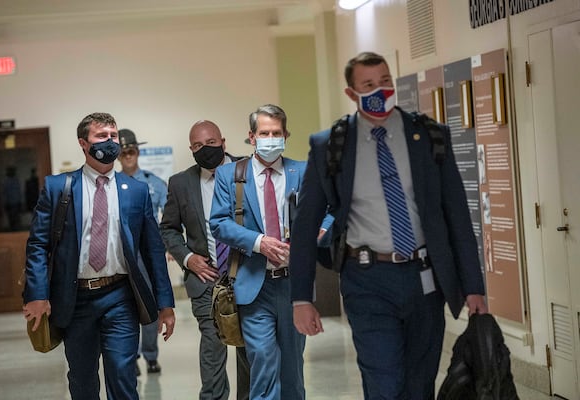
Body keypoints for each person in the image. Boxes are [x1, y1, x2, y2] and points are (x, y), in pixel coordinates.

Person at [288, 52, 487, 399]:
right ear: (352, 93)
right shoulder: (330, 145)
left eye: (385, 81)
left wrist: (473, 285)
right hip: (366, 280)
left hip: (424, 279)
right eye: (368, 85)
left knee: (418, 384)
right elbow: (305, 227)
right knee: (384, 382)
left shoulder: (428, 136)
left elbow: (456, 215)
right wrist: (301, 298)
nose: (380, 90)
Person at [22, 112, 175, 400]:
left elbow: (153, 251)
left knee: (122, 373)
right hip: (75, 299)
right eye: (101, 136)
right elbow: (38, 245)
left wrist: (165, 303)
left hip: (120, 297)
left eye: (113, 136)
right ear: (83, 143)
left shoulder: (137, 191)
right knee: (82, 381)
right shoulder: (59, 188)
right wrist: (37, 294)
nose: (110, 142)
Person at [210, 105, 331, 400]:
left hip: (294, 286)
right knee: (263, 361)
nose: (271, 138)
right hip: (254, 284)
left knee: (292, 370)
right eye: (264, 133)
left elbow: (329, 210)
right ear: (252, 137)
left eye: (277, 133)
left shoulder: (302, 171)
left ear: (286, 135)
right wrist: (259, 242)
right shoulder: (230, 175)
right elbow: (219, 223)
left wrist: (321, 231)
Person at [160, 120, 250, 400]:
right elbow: (168, 228)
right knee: (213, 348)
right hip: (206, 280)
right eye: (198, 146)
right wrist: (187, 258)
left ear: (223, 141)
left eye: (210, 143)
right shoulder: (181, 183)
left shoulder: (248, 170)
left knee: (250, 350)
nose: (205, 149)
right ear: (191, 149)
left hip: (248, 275)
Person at [117, 128, 168, 376]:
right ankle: (131, 355)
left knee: (149, 305)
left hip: (147, 253)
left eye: (132, 150)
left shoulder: (153, 183)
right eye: (124, 151)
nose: (128, 155)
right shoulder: (111, 184)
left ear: (138, 152)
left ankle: (150, 355)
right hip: (122, 254)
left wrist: (168, 247)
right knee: (126, 306)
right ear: (118, 155)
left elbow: (168, 221)